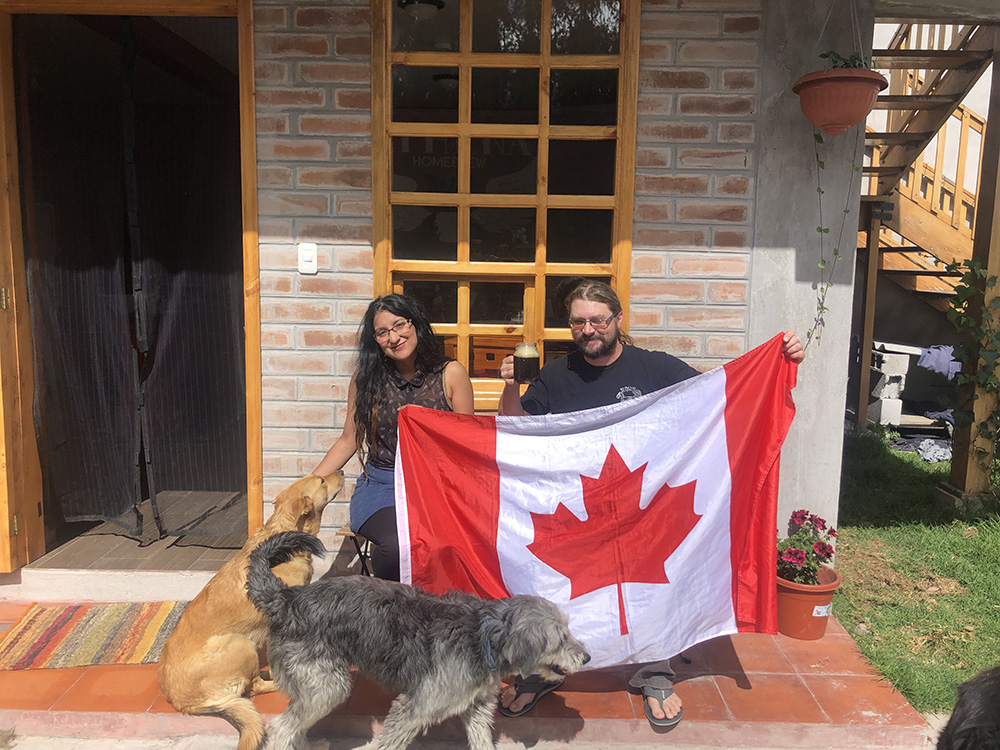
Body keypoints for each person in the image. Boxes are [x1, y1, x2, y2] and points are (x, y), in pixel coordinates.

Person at [496, 279, 804, 727]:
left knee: (652, 589)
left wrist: (779, 360)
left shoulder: (655, 368)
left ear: (618, 320)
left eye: (598, 320)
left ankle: (655, 668)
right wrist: (509, 387)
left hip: (646, 514)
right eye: (578, 322)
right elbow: (515, 429)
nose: (589, 330)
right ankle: (547, 667)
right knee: (555, 590)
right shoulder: (557, 374)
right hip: (579, 514)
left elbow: (720, 401)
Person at [313, 293, 475, 581]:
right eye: (382, 332)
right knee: (395, 545)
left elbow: (466, 444)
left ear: (415, 325)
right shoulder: (366, 378)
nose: (393, 337)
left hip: (435, 487)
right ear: (375, 340)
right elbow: (349, 440)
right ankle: (389, 617)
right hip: (381, 485)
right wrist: (308, 485)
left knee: (446, 545)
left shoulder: (451, 373)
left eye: (399, 325)